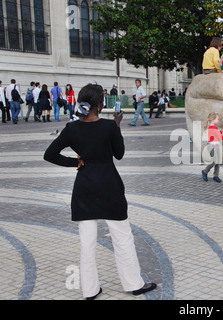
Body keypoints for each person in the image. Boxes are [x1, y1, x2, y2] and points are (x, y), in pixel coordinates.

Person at [43, 83, 157, 300]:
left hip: (84, 189)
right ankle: (134, 283)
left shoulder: (72, 128)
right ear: (99, 104)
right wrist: (117, 125)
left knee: (87, 243)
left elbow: (49, 154)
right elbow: (119, 154)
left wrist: (75, 163)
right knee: (123, 238)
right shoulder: (109, 127)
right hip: (109, 188)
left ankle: (90, 290)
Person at [202, 112, 223, 183]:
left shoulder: (214, 127)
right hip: (212, 146)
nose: (218, 121)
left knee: (218, 161)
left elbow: (217, 135)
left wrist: (221, 130)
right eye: (217, 119)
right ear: (213, 119)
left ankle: (216, 175)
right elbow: (219, 137)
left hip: (216, 145)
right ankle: (205, 171)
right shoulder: (212, 128)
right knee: (215, 161)